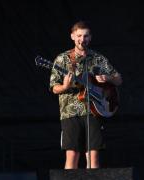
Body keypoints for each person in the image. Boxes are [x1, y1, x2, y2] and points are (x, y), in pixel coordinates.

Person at [50, 20, 122, 169]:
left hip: (94, 111)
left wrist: (107, 78)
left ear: (90, 37)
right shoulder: (62, 59)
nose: (82, 39)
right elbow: (53, 87)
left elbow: (118, 79)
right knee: (72, 156)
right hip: (70, 113)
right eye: (79, 36)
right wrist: (64, 86)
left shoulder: (98, 58)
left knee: (93, 157)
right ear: (72, 36)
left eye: (86, 36)